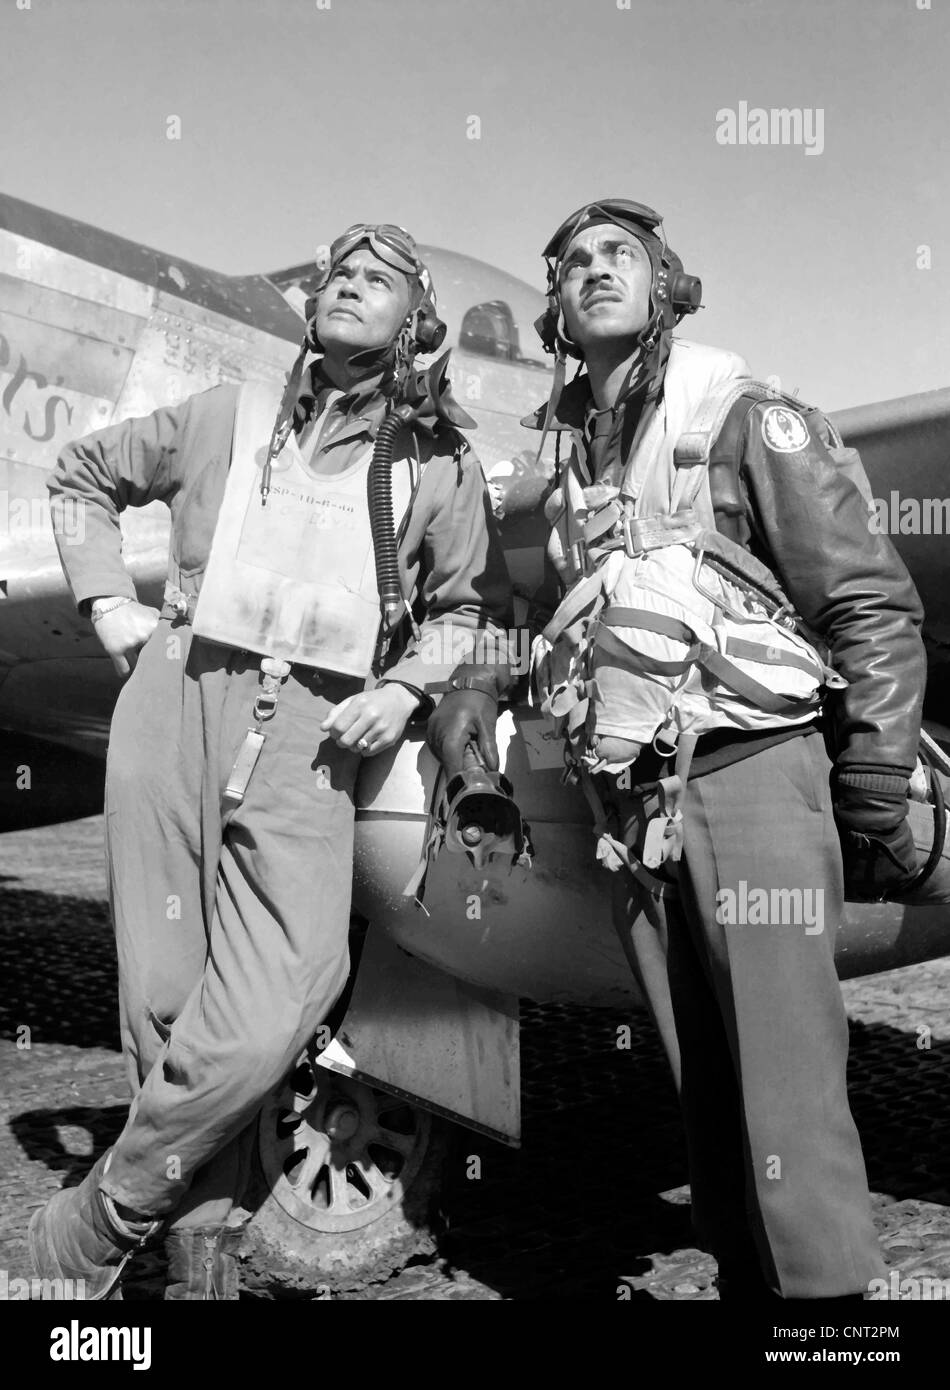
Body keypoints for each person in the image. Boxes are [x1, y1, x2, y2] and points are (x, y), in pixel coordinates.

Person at [32, 223, 512, 1299]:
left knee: (281, 997)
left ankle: (102, 1214)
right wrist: (111, 606)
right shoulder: (225, 415)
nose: (346, 284)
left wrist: (402, 687)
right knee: (163, 1001)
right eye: (337, 273)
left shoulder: (440, 466)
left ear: (415, 325)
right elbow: (81, 474)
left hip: (316, 729)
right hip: (174, 698)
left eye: (376, 280)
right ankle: (201, 1253)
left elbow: (465, 609)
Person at [523, 198, 926, 1301]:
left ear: (666, 286)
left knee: (786, 1088)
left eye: (620, 256)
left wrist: (876, 774)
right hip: (636, 809)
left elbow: (866, 601)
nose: (593, 271)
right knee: (707, 1096)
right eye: (571, 264)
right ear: (553, 306)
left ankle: (832, 1312)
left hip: (751, 773)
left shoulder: (744, 415)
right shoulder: (570, 457)